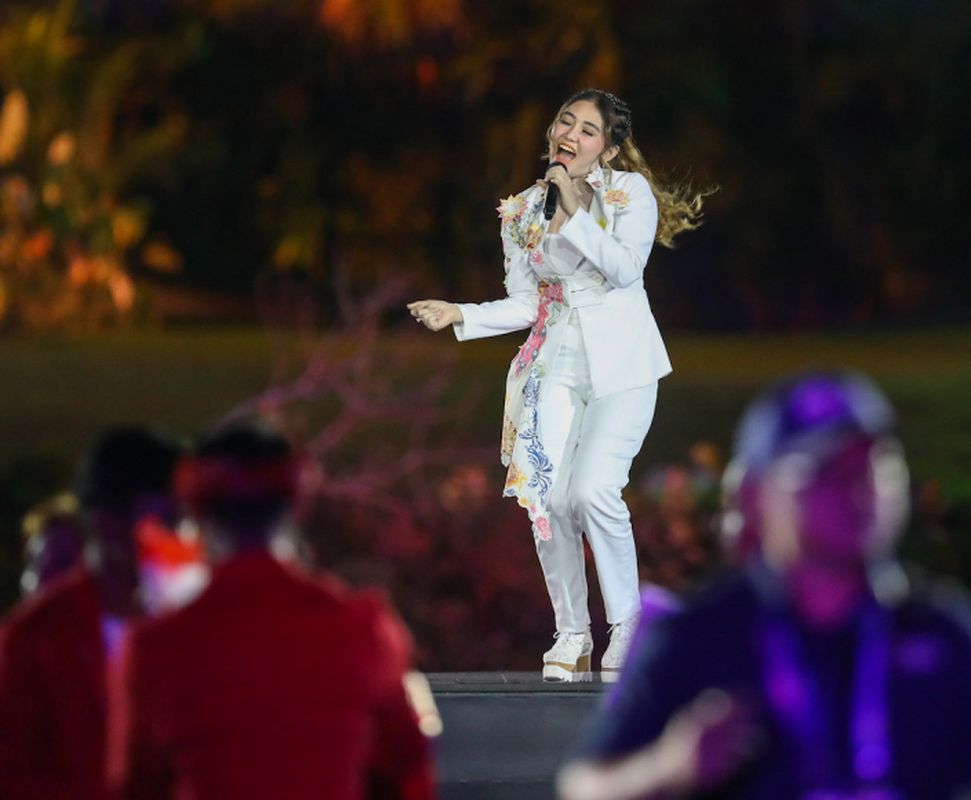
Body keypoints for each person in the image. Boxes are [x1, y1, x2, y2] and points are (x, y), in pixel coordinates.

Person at [558, 371, 971, 800]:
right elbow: (584, 787)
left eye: (875, 463)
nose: (860, 485)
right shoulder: (699, 636)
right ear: (759, 497)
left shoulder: (944, 633)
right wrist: (667, 769)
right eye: (826, 469)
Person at [407, 88, 711, 682]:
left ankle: (627, 625)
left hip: (622, 367)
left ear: (609, 148)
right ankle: (571, 632)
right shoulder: (521, 211)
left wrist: (573, 210)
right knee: (546, 499)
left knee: (593, 491)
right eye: (565, 122)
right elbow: (527, 302)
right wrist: (462, 313)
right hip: (553, 365)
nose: (571, 134)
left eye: (588, 129)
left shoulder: (628, 195)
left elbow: (624, 269)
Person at [118, 419, 435, 800]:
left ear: (195, 511)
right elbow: (410, 772)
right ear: (298, 503)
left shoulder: (160, 648)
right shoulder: (361, 630)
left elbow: (138, 784)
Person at [0, 426, 182, 800]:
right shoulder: (36, 638)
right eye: (164, 521)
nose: (178, 539)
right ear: (106, 522)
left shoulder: (189, 625)